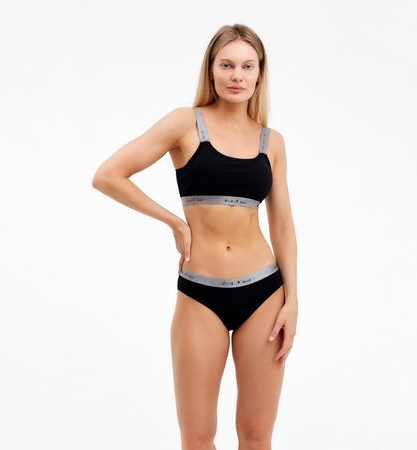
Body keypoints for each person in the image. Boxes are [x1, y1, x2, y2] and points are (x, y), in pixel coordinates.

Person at [92, 23, 298, 450]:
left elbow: (282, 225)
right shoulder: (185, 123)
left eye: (247, 66)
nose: (237, 75)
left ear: (260, 74)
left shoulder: (272, 142)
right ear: (211, 69)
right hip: (200, 295)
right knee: (197, 437)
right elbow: (108, 175)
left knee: (257, 435)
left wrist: (292, 301)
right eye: (227, 65)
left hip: (265, 293)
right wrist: (174, 221)